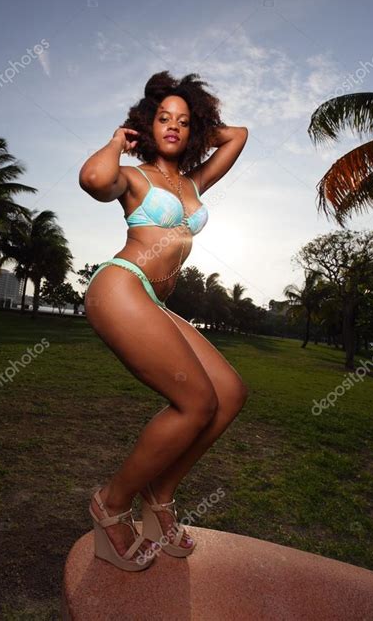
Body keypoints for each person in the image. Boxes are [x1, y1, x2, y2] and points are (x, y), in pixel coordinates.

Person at [79, 70, 249, 571]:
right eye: (162, 118)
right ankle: (110, 506)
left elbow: (237, 136)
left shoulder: (193, 181)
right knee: (195, 402)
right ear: (146, 124)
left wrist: (198, 123)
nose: (172, 127)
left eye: (182, 121)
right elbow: (94, 180)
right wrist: (117, 140)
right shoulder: (135, 177)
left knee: (229, 395)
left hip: (154, 299)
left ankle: (159, 499)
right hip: (122, 284)